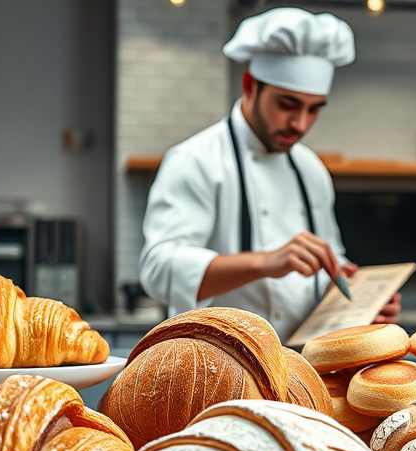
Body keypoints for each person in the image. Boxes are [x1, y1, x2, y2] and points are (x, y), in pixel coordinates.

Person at [138, 7, 400, 342]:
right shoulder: (195, 159)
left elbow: (327, 262)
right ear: (250, 85)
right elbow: (158, 269)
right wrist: (266, 262)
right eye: (287, 105)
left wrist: (363, 302)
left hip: (301, 369)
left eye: (313, 109)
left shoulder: (310, 169)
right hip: (220, 364)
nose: (300, 124)